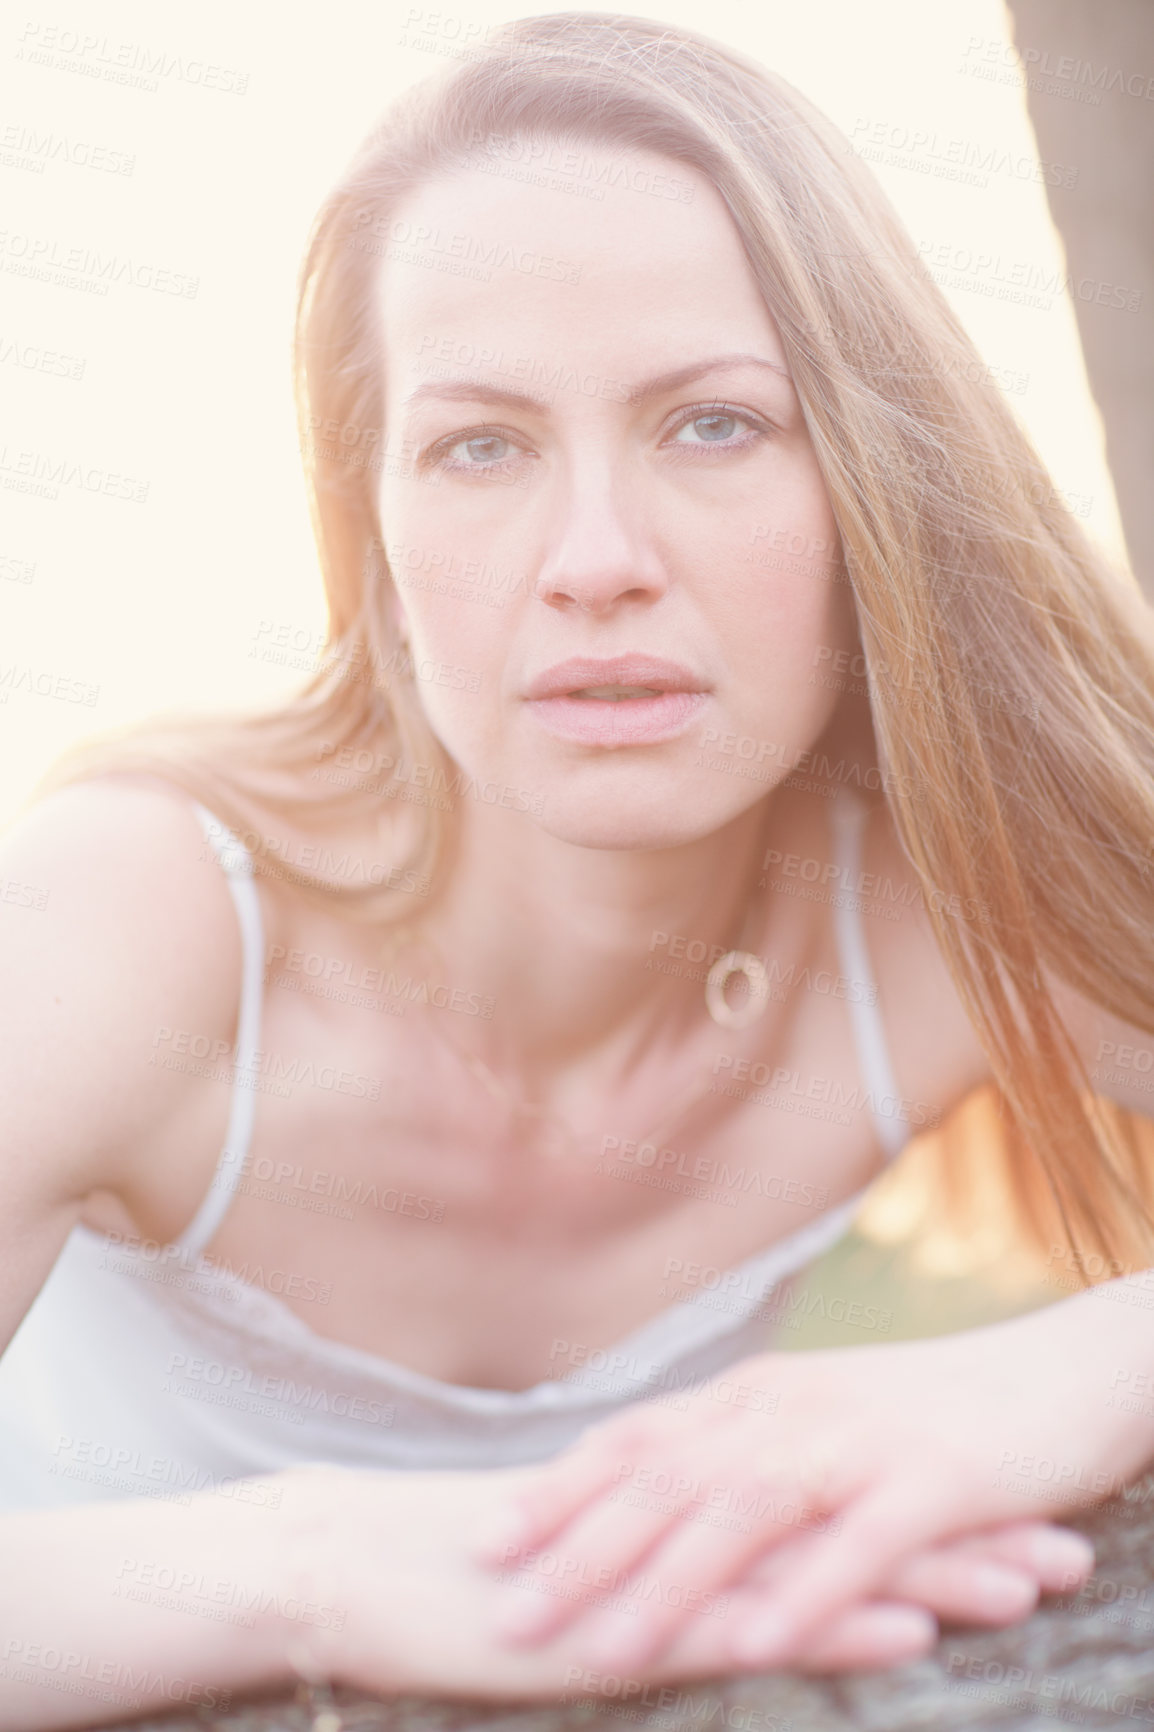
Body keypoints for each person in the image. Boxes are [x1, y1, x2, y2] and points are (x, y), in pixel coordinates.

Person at [3, 9, 1154, 1724]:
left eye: (709, 426)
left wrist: (1071, 1376)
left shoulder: (939, 912)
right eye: (480, 446)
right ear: (375, 534)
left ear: (870, 476)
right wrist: (313, 1562)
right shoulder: (134, 917)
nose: (593, 563)